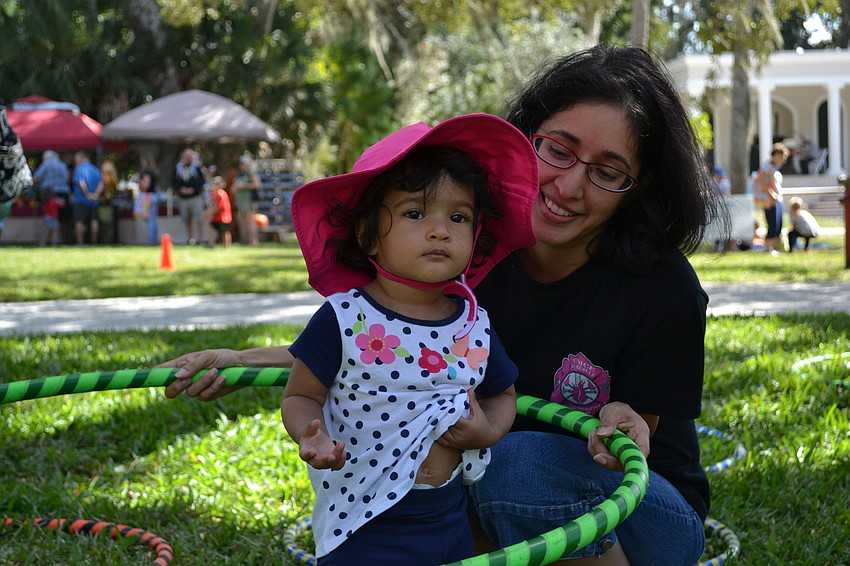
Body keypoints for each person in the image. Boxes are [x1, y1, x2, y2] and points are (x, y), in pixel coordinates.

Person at [159, 45, 728, 565]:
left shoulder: (664, 291)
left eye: (607, 172)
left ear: (640, 186)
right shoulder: (465, 254)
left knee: (517, 464)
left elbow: (632, 438)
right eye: (558, 149)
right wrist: (239, 361)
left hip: (640, 520)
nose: (569, 186)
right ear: (526, 137)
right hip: (489, 488)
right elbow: (376, 348)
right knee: (425, 486)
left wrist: (623, 422)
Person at [281, 114, 536, 564]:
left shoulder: (474, 325)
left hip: (448, 517)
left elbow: (503, 393)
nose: (440, 230)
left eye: (458, 217)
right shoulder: (345, 318)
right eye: (415, 213)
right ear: (367, 235)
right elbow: (300, 394)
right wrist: (310, 433)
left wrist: (488, 430)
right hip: (362, 522)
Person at [752, 142, 790, 256]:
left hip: (777, 199)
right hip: (769, 200)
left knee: (779, 223)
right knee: (772, 223)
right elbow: (762, 181)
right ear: (776, 155)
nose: (783, 160)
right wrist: (770, 195)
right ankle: (768, 248)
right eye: (782, 157)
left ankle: (772, 247)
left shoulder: (775, 168)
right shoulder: (767, 166)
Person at [32, 150, 72, 245]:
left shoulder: (46, 164)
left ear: (46, 158)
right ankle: (63, 241)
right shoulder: (62, 165)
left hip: (50, 195)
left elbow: (35, 178)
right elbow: (68, 178)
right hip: (64, 193)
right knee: (63, 219)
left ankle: (50, 241)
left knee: (52, 219)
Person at [172, 148, 206, 245]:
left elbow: (201, 181)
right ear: (183, 157)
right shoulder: (177, 168)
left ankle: (200, 239)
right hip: (183, 199)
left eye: (190, 156)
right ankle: (190, 238)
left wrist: (193, 189)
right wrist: (181, 189)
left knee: (199, 218)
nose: (189, 158)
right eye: (187, 156)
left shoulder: (196, 168)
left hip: (195, 198)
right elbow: (173, 182)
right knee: (187, 219)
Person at [71, 151, 102, 245]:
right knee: (94, 220)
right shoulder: (96, 169)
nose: (75, 162)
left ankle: (80, 242)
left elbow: (81, 183)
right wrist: (96, 195)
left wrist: (87, 194)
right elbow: (101, 183)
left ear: (81, 158)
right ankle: (94, 242)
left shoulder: (79, 169)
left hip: (82, 199)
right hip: (94, 200)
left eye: (76, 159)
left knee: (79, 221)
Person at [231, 154, 262, 245]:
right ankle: (245, 239)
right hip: (240, 201)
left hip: (248, 200)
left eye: (244, 164)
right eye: (241, 164)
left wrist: (243, 186)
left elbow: (257, 185)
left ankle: (253, 240)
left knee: (250, 220)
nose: (242, 165)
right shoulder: (240, 174)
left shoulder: (251, 173)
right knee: (243, 221)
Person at [204, 176, 232, 248]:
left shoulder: (221, 194)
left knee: (224, 232)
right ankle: (211, 244)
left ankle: (226, 246)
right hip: (216, 217)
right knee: (210, 228)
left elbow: (218, 207)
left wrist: (209, 213)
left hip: (223, 217)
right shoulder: (213, 194)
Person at [134, 168, 161, 245]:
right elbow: (137, 212)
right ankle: (151, 240)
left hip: (149, 199)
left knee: (152, 224)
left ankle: (152, 241)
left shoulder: (152, 196)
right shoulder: (140, 195)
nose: (143, 183)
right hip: (148, 198)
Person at [97, 159, 120, 244]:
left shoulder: (105, 178)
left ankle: (106, 241)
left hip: (105, 204)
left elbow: (105, 192)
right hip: (111, 204)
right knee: (111, 225)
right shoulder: (115, 178)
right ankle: (111, 240)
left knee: (105, 225)